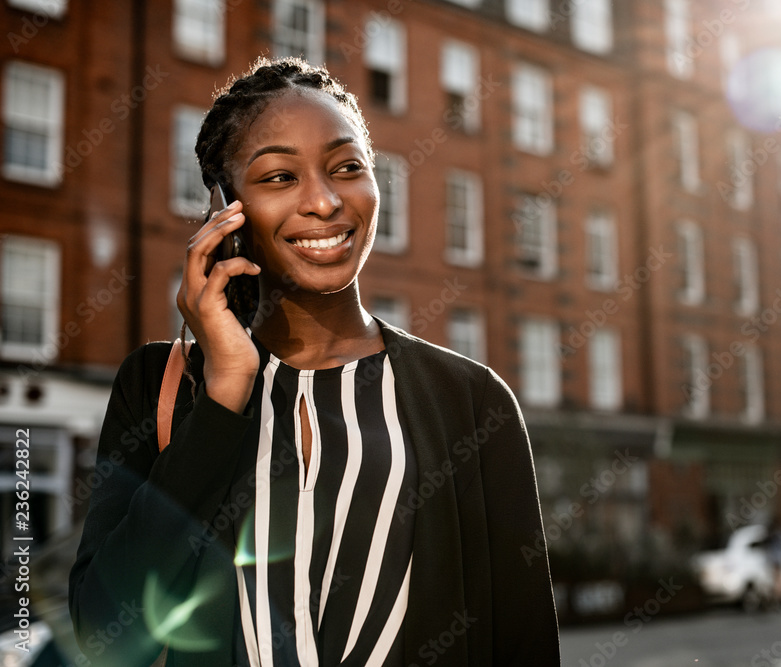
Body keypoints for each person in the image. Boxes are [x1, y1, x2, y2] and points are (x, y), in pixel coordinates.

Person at [68, 56, 561, 666]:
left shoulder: (469, 400)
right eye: (279, 177)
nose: (325, 202)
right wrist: (224, 394)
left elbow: (523, 639)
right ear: (224, 206)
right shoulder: (158, 387)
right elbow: (102, 636)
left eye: (347, 167)